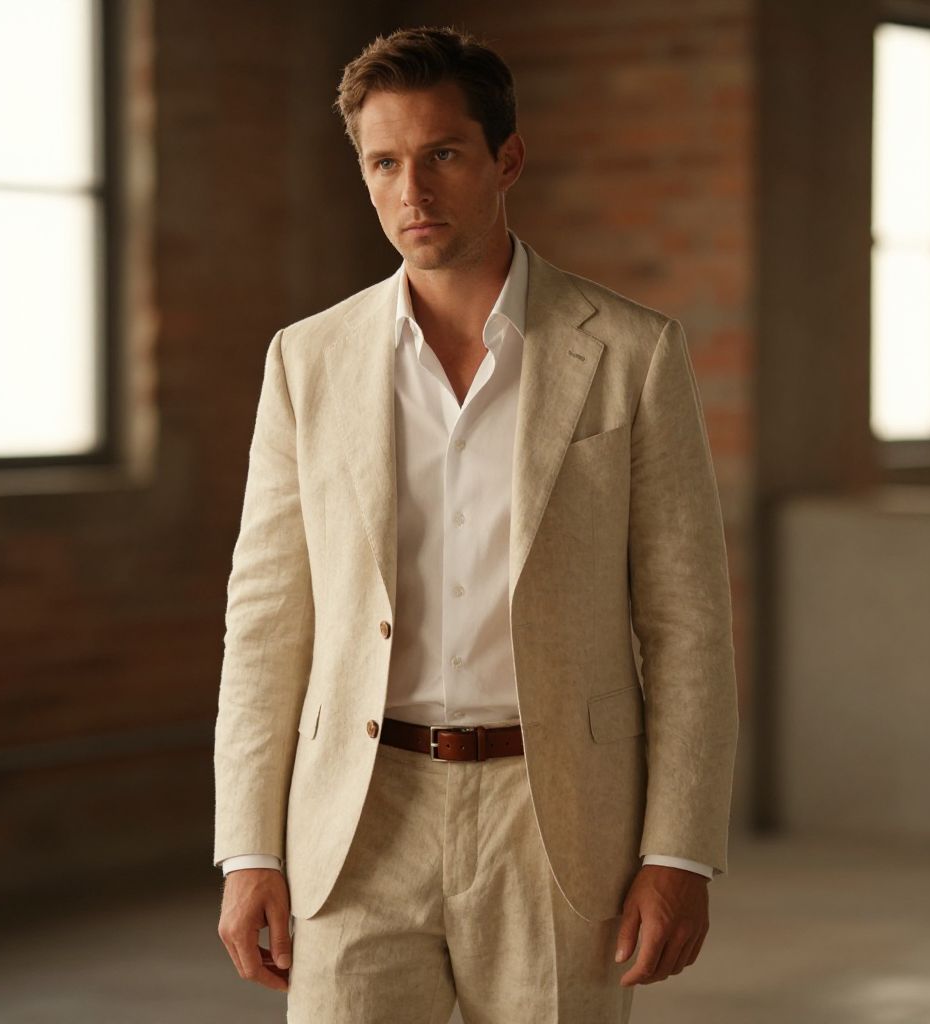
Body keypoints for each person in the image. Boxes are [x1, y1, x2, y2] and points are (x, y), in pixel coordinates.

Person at [214, 25, 739, 1024]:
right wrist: (249, 847)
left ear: (506, 159)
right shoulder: (306, 361)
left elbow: (687, 627)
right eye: (384, 162)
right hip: (358, 815)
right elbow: (267, 619)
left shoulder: (631, 354)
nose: (411, 192)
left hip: (556, 818)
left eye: (442, 155)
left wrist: (676, 850)